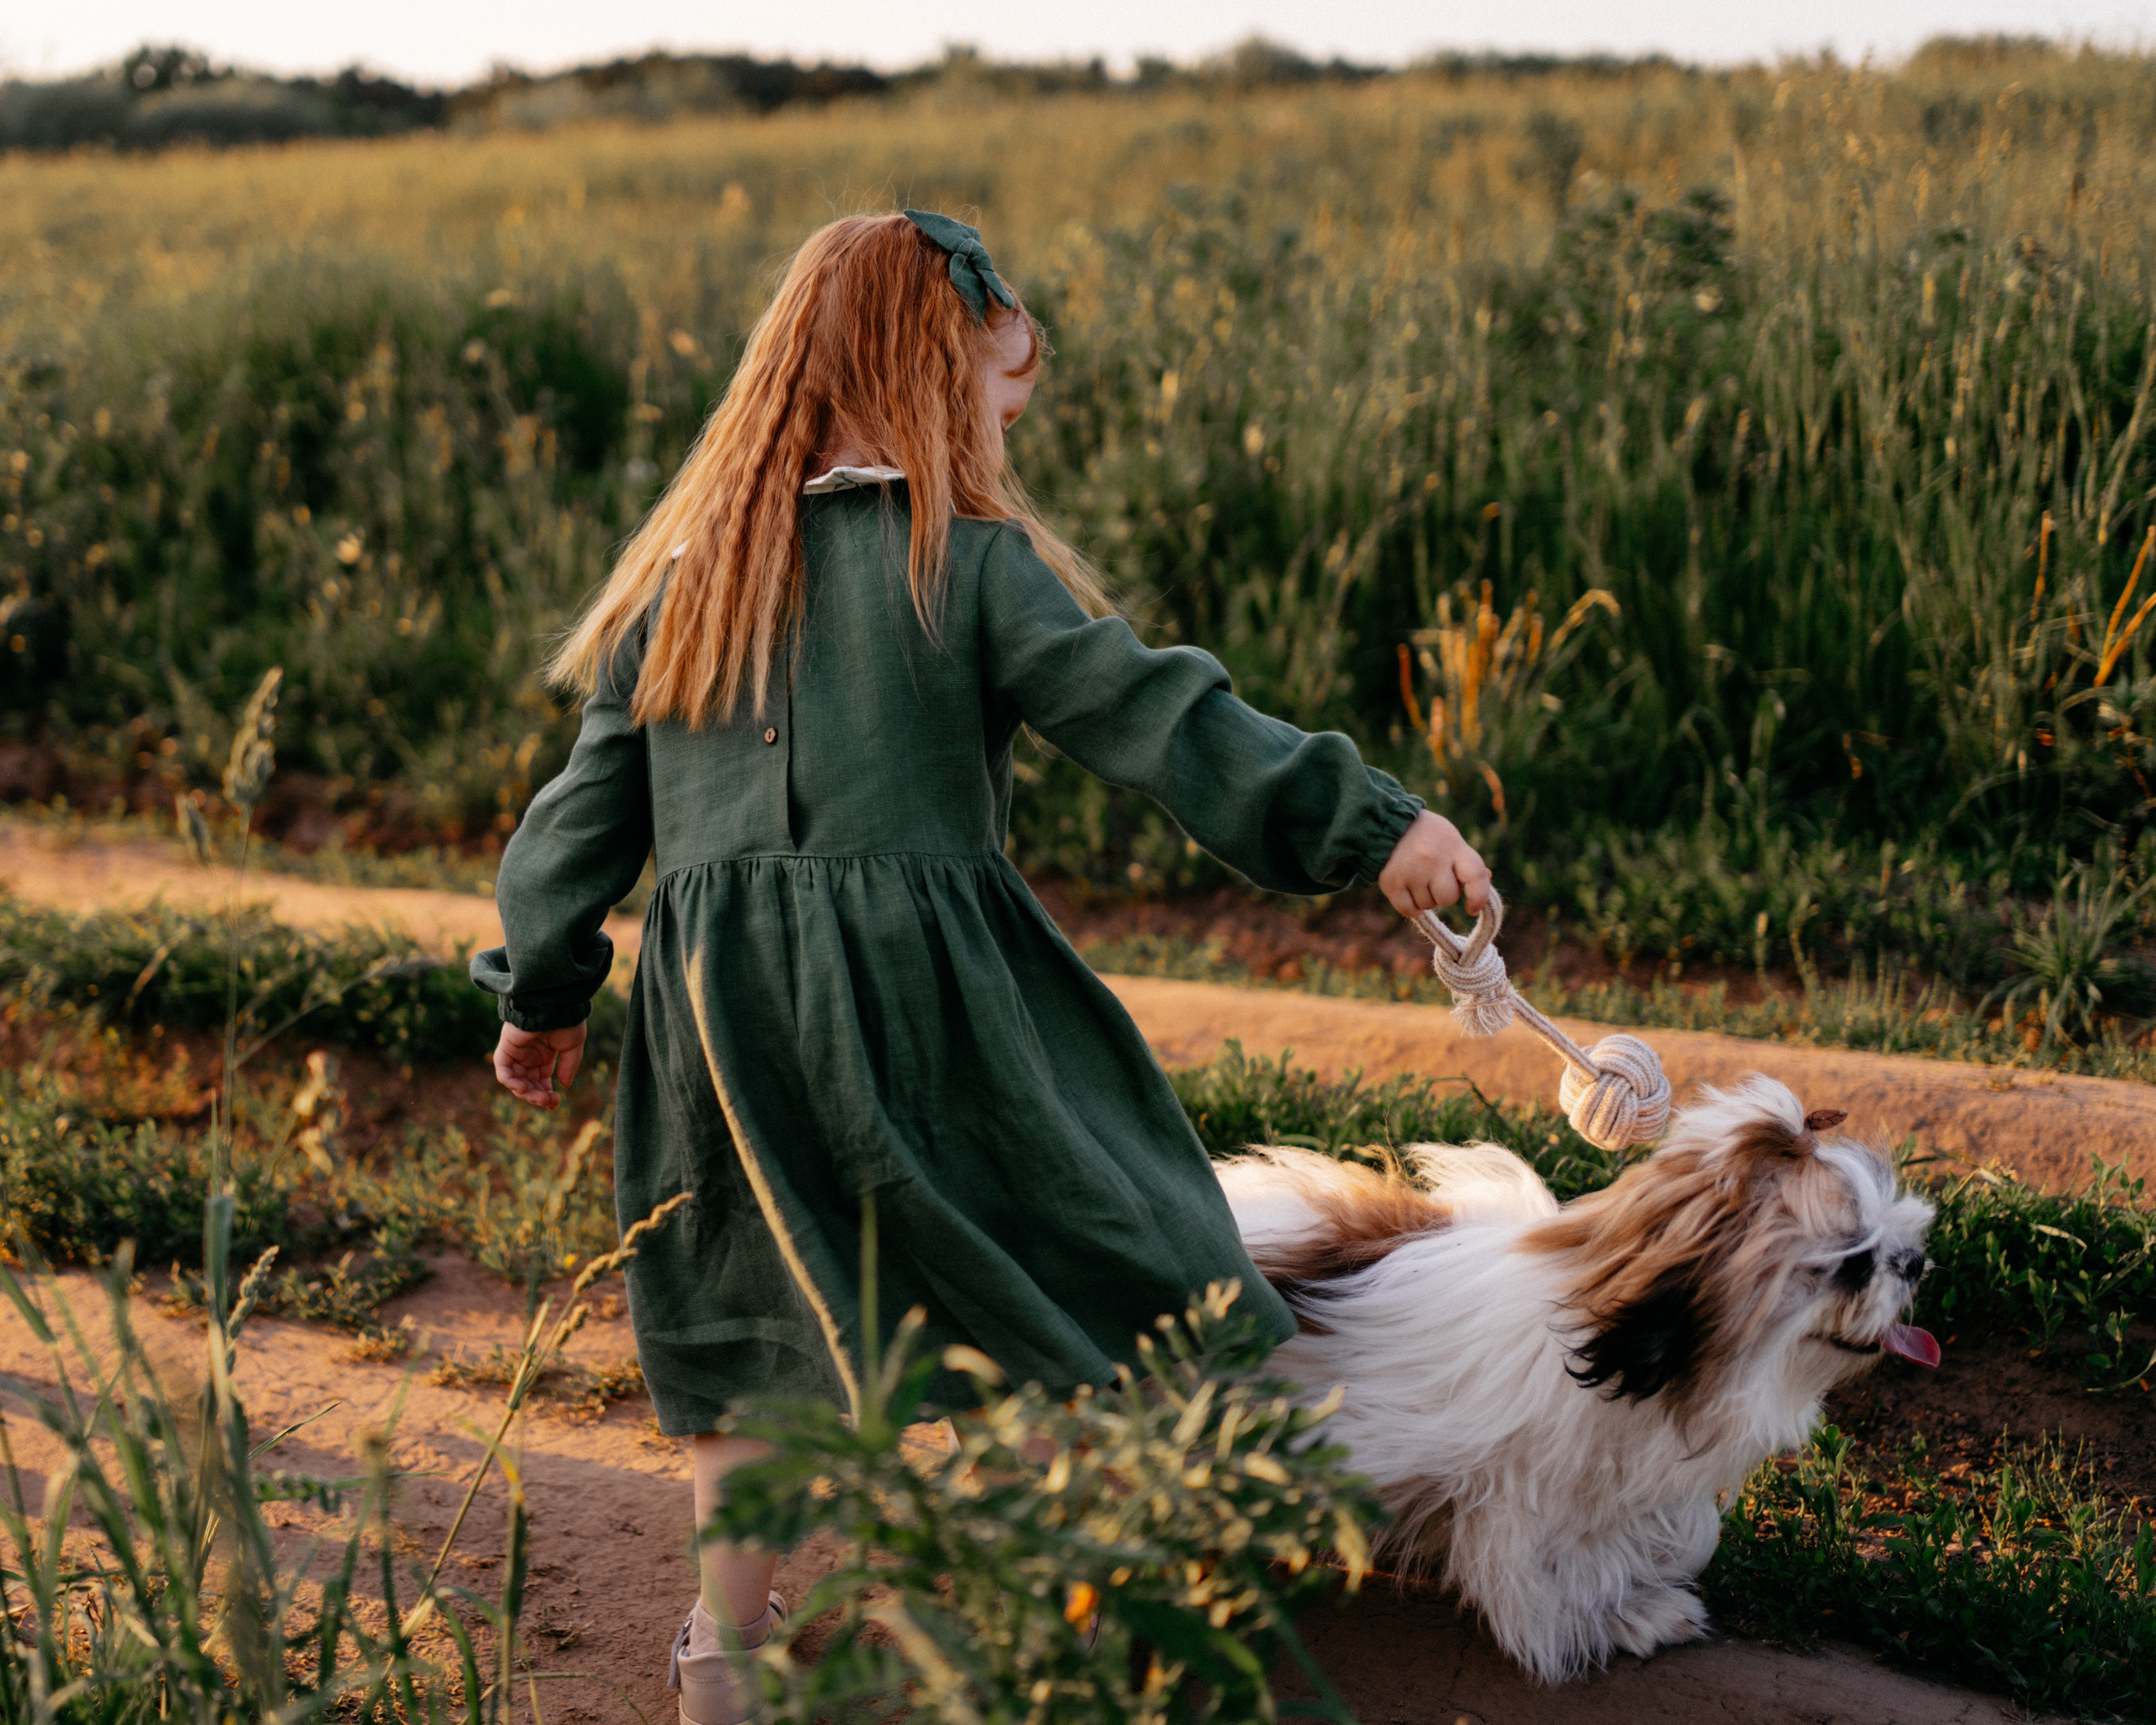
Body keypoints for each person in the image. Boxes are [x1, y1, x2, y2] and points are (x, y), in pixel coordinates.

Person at [472, 210, 1491, 1725]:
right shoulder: (970, 567)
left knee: (755, 1331)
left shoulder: (679, 589)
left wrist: (543, 994)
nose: (1009, 429)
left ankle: (723, 1656)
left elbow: (575, 827)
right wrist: (1374, 825)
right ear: (923, 382)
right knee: (1027, 1276)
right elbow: (1162, 718)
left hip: (722, 1028)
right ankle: (1031, 1620)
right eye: (1000, 395)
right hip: (932, 1000)